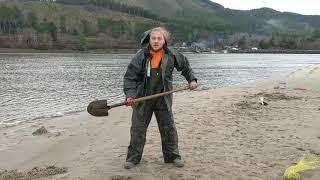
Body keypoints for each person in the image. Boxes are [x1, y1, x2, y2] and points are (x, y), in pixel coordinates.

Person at [123, 27, 197, 169]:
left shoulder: (172, 54)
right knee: (138, 129)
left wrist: (192, 80)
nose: (156, 41)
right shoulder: (141, 55)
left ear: (164, 40)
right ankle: (133, 158)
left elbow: (185, 67)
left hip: (163, 97)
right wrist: (130, 95)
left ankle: (173, 156)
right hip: (142, 98)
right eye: (153, 38)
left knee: (168, 127)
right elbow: (130, 77)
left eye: (159, 38)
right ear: (149, 40)